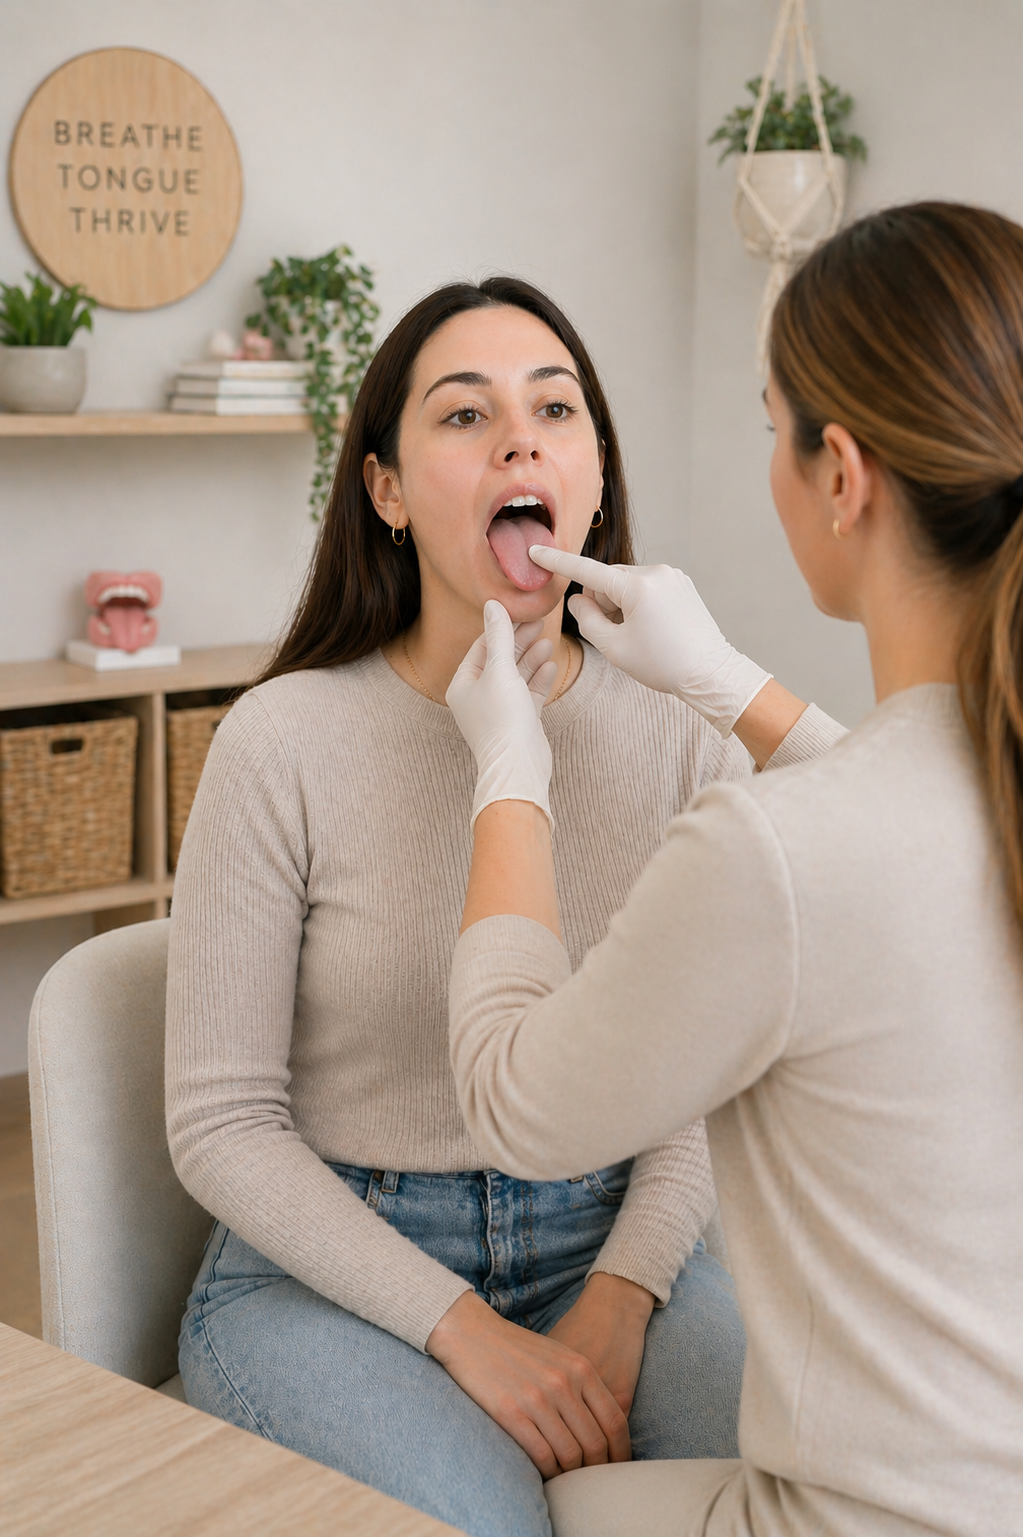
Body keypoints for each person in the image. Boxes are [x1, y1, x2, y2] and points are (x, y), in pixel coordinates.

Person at [443, 204, 1023, 1537]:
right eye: (467, 416)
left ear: (839, 474)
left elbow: (512, 1102)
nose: (521, 442)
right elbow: (907, 847)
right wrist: (731, 687)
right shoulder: (917, 813)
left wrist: (505, 779)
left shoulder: (776, 854)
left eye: (769, 426)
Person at [165, 276, 751, 1537]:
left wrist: (625, 1289)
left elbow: (714, 1074)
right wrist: (464, 1330)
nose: (521, 439)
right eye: (463, 415)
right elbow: (219, 1124)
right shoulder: (282, 742)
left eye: (556, 408)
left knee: (813, 1480)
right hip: (332, 1272)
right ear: (384, 490)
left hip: (614, 1233)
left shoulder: (686, 737)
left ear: (592, 470)